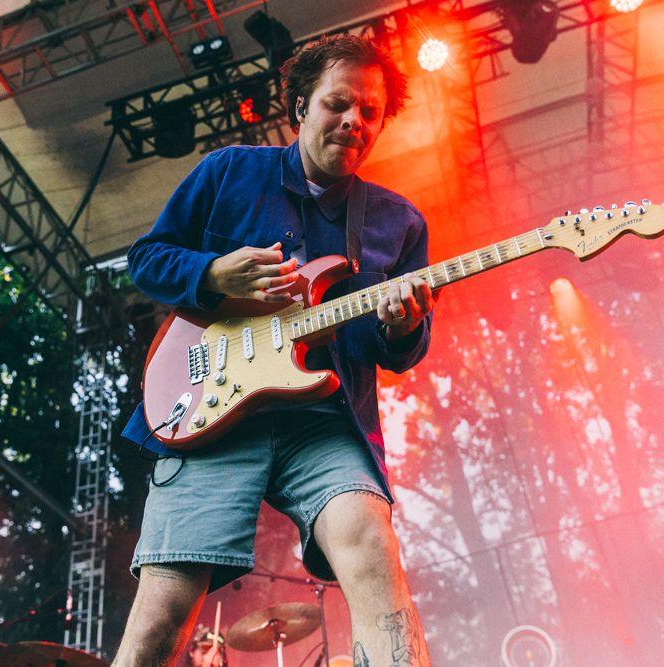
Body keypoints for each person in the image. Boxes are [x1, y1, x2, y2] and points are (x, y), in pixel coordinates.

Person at [113, 34, 435, 667]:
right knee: (161, 616)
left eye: (369, 112)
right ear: (299, 108)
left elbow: (390, 349)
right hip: (206, 411)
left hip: (324, 421)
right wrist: (211, 275)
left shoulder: (399, 223)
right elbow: (146, 260)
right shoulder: (229, 170)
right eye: (338, 104)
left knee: (372, 550)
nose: (354, 121)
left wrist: (400, 330)